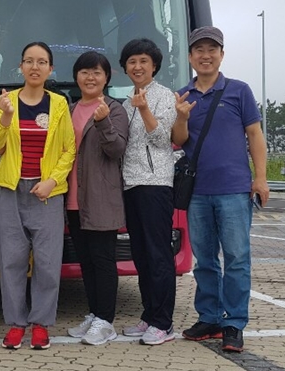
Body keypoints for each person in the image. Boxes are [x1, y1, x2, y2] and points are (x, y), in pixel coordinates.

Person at [172, 26, 270, 353]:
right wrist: (182, 116)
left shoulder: (238, 91)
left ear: (221, 55)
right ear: (190, 57)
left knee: (237, 258)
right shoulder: (184, 94)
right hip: (198, 191)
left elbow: (255, 135)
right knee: (204, 260)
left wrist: (261, 178)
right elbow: (180, 140)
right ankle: (210, 317)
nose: (205, 55)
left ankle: (234, 323)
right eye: (199, 49)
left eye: (212, 49)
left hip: (234, 189)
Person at [0, 41, 75, 350]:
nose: (34, 67)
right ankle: (15, 323)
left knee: (48, 262)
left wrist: (52, 181)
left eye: (41, 62)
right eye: (29, 61)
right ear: (20, 67)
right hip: (11, 190)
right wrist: (7, 117)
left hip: (46, 193)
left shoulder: (59, 104)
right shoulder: (5, 101)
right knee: (11, 260)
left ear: (51, 68)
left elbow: (68, 148)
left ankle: (40, 323)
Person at [65, 52, 129, 345]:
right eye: (85, 72)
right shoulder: (67, 109)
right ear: (76, 76)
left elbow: (116, 150)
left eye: (97, 73)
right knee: (86, 261)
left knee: (103, 260)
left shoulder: (114, 109)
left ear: (106, 78)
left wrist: (103, 123)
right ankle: (94, 313)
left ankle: (106, 320)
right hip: (73, 198)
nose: (90, 78)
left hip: (101, 197)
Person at [119, 38, 177, 346]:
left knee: (158, 255)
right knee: (141, 255)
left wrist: (144, 111)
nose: (137, 66)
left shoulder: (164, 96)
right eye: (131, 61)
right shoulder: (127, 100)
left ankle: (164, 323)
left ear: (154, 65)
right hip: (131, 185)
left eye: (143, 61)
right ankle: (149, 314)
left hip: (155, 184)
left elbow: (161, 139)